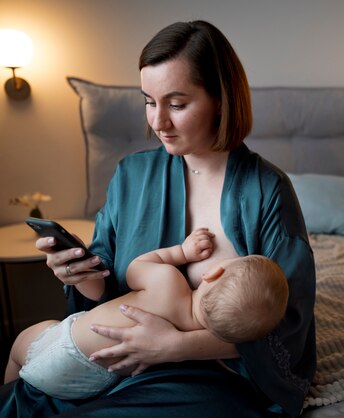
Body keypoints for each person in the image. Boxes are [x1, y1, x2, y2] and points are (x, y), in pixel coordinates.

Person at [0, 20, 316, 417]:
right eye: (149, 101)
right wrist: (81, 275)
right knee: (22, 400)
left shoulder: (266, 190)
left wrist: (175, 346)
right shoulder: (132, 176)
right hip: (110, 362)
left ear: (221, 98)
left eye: (177, 104)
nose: (158, 122)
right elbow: (105, 291)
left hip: (206, 374)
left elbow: (286, 326)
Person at [4, 228, 289, 400]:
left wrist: (183, 251)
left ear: (212, 273)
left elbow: (135, 267)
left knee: (23, 344)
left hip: (67, 351)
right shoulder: (201, 338)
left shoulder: (169, 283)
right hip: (97, 383)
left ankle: (8, 390)